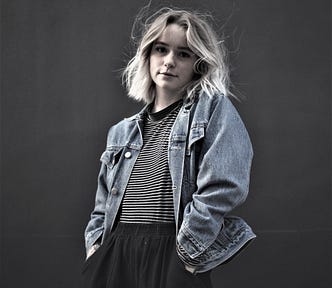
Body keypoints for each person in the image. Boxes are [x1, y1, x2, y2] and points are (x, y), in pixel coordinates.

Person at [82, 7, 256, 288]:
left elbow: (225, 185)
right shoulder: (121, 132)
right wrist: (96, 249)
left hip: (172, 253)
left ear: (198, 64)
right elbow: (102, 205)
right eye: (161, 50)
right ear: (148, 56)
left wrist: (185, 256)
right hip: (115, 256)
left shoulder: (212, 110)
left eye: (183, 54)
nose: (169, 61)